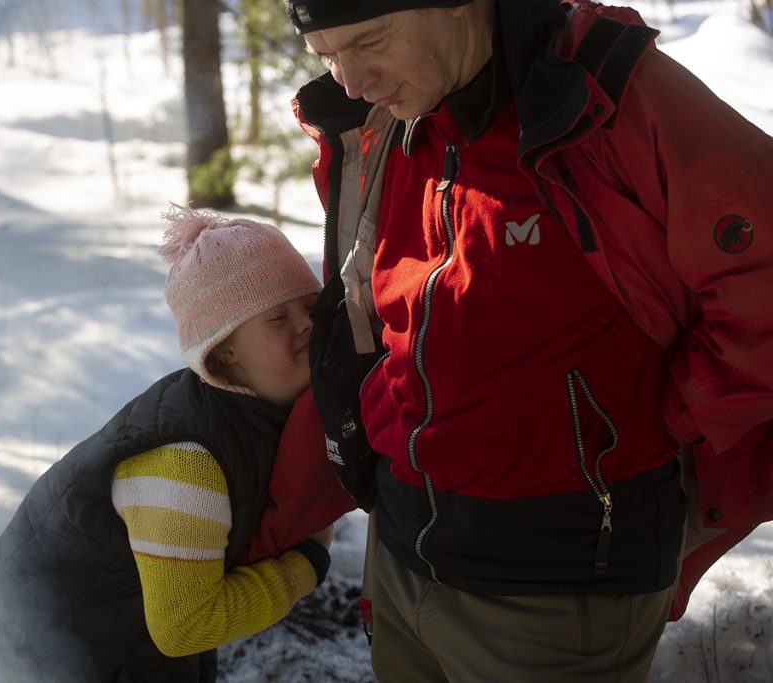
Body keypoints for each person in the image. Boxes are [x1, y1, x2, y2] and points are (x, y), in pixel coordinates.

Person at [280, 0, 773, 680]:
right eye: (327, 57)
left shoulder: (600, 94)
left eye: (368, 40)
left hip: (558, 581)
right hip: (398, 552)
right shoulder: (381, 121)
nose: (351, 80)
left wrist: (679, 419)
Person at [0, 205, 356, 683]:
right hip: (30, 664)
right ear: (223, 353)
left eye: (309, 306)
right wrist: (307, 563)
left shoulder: (257, 417)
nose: (305, 324)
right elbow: (185, 626)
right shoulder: (184, 463)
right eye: (278, 317)